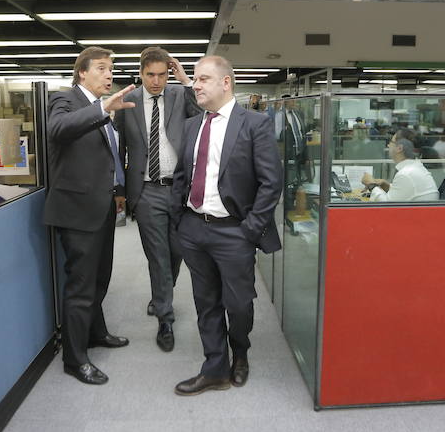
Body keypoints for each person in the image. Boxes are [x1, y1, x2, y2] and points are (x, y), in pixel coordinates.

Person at [170, 56, 283, 396]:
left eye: (203, 79)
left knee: (238, 303)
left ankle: (241, 351)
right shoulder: (193, 125)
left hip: (235, 231)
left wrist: (249, 229)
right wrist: (180, 219)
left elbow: (271, 183)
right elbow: (182, 174)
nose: (196, 85)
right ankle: (215, 367)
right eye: (195, 79)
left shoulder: (254, 123)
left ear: (226, 83)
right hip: (194, 229)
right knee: (206, 302)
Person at [42, 46, 136, 385]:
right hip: (77, 212)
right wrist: (102, 108)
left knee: (100, 278)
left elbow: (108, 157)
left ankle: (96, 333)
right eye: (101, 68)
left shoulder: (105, 110)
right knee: (81, 286)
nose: (108, 74)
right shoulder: (64, 100)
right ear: (82, 72)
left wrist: (119, 192)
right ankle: (74, 358)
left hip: (103, 206)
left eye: (111, 69)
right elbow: (59, 129)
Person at [114, 47, 201, 352]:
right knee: (158, 256)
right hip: (147, 189)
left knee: (177, 252)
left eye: (162, 74)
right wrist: (121, 190)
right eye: (150, 74)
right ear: (141, 73)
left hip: (178, 189)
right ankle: (165, 317)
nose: (156, 81)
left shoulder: (179, 96)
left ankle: (161, 293)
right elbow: (121, 146)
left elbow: (203, 118)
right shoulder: (129, 100)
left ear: (169, 73)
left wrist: (185, 81)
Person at [361, 130, 440, 202]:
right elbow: (404, 194)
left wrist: (371, 184)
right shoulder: (414, 168)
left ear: (399, 148)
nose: (388, 145)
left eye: (391, 142)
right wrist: (387, 185)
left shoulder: (406, 174)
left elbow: (386, 207)